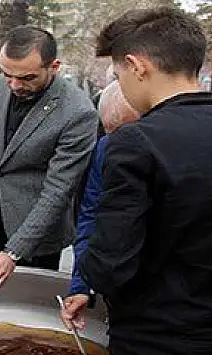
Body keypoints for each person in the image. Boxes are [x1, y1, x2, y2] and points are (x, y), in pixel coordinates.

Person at [77, 7, 212, 355]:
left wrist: (89, 269)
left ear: (137, 66)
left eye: (119, 76)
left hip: (158, 348)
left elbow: (109, 264)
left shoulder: (137, 143)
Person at [0, 26, 97, 295]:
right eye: (8, 75)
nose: (15, 85)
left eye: (27, 78)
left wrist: (14, 252)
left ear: (54, 66)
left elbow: (58, 191)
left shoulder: (78, 112)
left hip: (37, 233)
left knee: (30, 314)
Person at [60, 80, 139, 330]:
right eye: (111, 133)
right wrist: (81, 284)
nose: (118, 145)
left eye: (126, 133)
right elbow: (91, 217)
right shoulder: (104, 149)